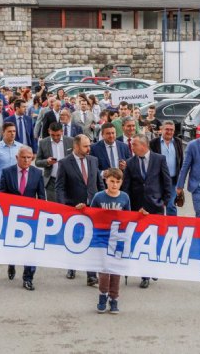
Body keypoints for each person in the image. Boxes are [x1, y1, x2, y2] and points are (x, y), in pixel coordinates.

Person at [121, 134, 172, 289]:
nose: (132, 147)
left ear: (143, 145)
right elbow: (126, 187)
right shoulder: (130, 163)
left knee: (155, 241)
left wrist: (163, 202)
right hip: (137, 209)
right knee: (141, 241)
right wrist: (128, 208)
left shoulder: (159, 159)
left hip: (155, 207)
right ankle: (145, 275)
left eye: (134, 144)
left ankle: (153, 267)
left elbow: (166, 183)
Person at [55, 135, 104, 285]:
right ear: (76, 147)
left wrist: (103, 202)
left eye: (89, 145)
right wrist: (64, 208)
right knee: (75, 240)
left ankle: (91, 275)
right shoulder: (64, 163)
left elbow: (99, 183)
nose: (89, 148)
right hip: (74, 208)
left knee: (92, 241)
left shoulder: (93, 160)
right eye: (85, 146)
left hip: (92, 208)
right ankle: (72, 265)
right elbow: (60, 187)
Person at [0, 146, 45, 290]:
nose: (26, 160)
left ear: (32, 158)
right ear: (17, 158)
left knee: (30, 249)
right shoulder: (7, 172)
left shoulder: (37, 173)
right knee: (13, 246)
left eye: (29, 157)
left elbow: (41, 197)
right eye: (23, 157)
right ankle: (11, 263)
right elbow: (0, 193)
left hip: (30, 218)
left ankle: (28, 278)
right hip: (11, 217)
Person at [90, 168, 130, 314]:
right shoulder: (99, 197)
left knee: (115, 269)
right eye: (112, 181)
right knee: (105, 268)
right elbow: (91, 215)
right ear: (106, 180)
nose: (114, 185)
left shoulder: (124, 197)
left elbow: (128, 218)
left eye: (118, 182)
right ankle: (103, 295)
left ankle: (114, 298)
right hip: (102, 237)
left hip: (117, 239)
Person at [149, 120, 184, 216]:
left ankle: (172, 227)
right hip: (158, 180)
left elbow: (181, 161)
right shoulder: (153, 143)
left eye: (171, 130)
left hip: (173, 180)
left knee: (171, 205)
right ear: (161, 130)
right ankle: (159, 226)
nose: (169, 132)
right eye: (167, 129)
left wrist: (181, 181)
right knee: (158, 205)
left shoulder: (178, 142)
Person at [35, 122, 73, 202]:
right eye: (53, 135)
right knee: (53, 207)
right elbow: (37, 162)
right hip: (51, 181)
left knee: (68, 206)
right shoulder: (43, 143)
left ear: (62, 131)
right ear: (49, 131)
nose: (55, 138)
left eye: (58, 135)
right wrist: (47, 162)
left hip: (68, 179)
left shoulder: (71, 141)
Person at [0, 123, 23, 190]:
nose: (12, 133)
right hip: (0, 182)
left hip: (16, 182)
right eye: (9, 131)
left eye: (14, 131)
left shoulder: (20, 147)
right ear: (3, 132)